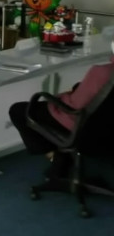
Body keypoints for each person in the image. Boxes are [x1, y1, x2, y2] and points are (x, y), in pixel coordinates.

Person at [9, 39, 114, 176]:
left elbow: (73, 107)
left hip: (83, 130)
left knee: (18, 110)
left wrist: (60, 96)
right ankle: (61, 155)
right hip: (107, 132)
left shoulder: (101, 72)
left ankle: (56, 157)